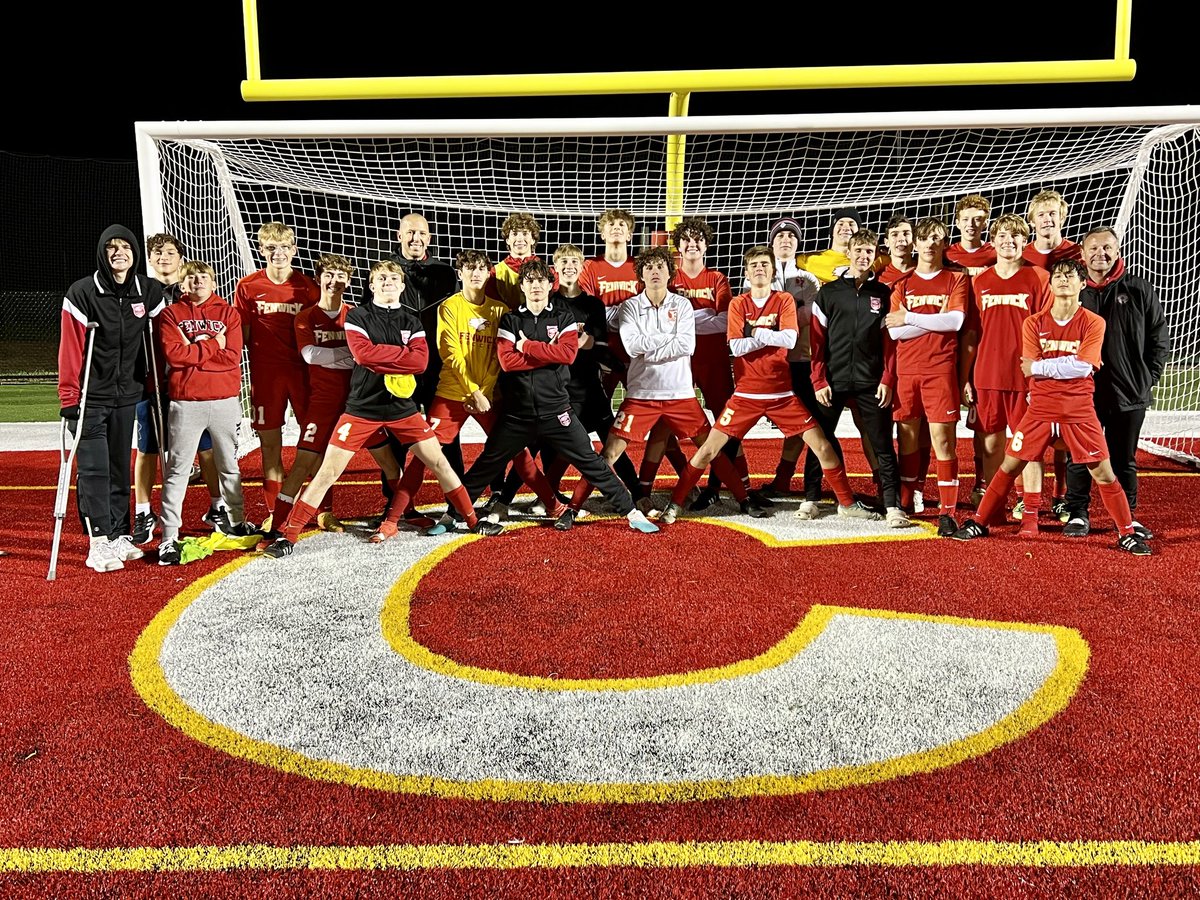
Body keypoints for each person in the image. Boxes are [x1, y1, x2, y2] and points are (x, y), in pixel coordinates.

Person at [262, 260, 501, 557]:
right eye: (381, 278)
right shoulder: (358, 316)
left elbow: (421, 363)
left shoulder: (412, 321)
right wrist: (401, 354)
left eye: (393, 278)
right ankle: (289, 536)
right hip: (362, 408)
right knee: (327, 472)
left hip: (403, 408)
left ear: (402, 285)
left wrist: (383, 357)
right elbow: (362, 356)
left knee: (440, 463)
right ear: (372, 286)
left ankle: (473, 520)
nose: (388, 281)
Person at [660, 247, 880, 525]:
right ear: (747, 273)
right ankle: (675, 503)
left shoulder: (784, 299)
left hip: (782, 395)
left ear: (773, 271)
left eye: (764, 264)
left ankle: (847, 503)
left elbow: (789, 339)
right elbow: (736, 347)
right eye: (753, 265)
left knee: (823, 446)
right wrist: (769, 336)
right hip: (745, 395)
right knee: (707, 450)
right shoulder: (739, 303)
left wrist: (755, 332)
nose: (759, 269)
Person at [952, 259, 1152, 555]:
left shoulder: (1094, 322)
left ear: (1082, 284)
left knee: (1103, 473)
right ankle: (979, 521)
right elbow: (1028, 369)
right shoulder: (1032, 323)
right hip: (1040, 409)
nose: (1063, 280)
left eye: (1070, 276)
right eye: (1058, 276)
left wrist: (1043, 366)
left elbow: (1084, 366)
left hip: (1078, 409)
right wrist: (1053, 367)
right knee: (1009, 465)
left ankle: (1126, 532)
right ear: (1051, 284)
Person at [454, 259, 659, 534]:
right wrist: (545, 354)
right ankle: (453, 514)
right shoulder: (510, 319)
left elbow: (568, 355)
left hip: (558, 411)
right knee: (488, 462)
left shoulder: (562, 318)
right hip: (518, 414)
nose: (536, 286)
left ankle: (631, 512)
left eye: (541, 281)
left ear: (550, 285)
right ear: (522, 286)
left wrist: (526, 345)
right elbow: (507, 362)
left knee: (591, 461)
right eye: (530, 281)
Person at [570, 247, 755, 525]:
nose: (655, 272)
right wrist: (665, 342)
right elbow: (633, 347)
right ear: (641, 274)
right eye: (649, 268)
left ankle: (745, 500)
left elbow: (687, 345)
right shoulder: (629, 307)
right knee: (608, 453)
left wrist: (651, 345)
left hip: (681, 395)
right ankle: (572, 508)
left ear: (670, 272)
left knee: (710, 449)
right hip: (641, 395)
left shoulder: (682, 305)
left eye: (660, 267)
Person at [392, 249, 561, 534]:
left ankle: (555, 506)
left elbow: (499, 358)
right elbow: (451, 354)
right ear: (460, 274)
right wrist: (472, 390)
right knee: (424, 455)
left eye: (481, 268)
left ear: (488, 273)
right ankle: (393, 518)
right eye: (469, 269)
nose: (475, 274)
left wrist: (484, 391)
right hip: (452, 394)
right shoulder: (448, 307)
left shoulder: (499, 310)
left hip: (489, 396)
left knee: (520, 455)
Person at [256, 254, 405, 548]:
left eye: (340, 275)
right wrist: (350, 356)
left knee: (389, 463)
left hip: (360, 403)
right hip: (322, 404)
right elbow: (311, 356)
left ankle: (398, 514)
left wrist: (344, 358)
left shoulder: (358, 315)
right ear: (319, 278)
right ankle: (279, 524)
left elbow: (365, 357)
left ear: (348, 281)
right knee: (302, 465)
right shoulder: (305, 317)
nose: (334, 280)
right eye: (329, 275)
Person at [57, 225, 164, 572]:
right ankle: (98, 540)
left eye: (125, 247)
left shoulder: (146, 291)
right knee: (94, 469)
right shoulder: (83, 293)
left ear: (134, 253)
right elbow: (70, 350)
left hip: (126, 394)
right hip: (90, 397)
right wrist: (69, 396)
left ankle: (119, 533)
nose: (119, 253)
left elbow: (159, 340)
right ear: (103, 253)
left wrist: (153, 382)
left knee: (119, 466)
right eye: (111, 248)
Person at [1062, 227, 1170, 540]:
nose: (1101, 254)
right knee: (1080, 456)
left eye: (1108, 248)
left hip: (1129, 392)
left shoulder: (1138, 288)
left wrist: (1148, 378)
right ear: (1081, 255)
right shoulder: (1073, 292)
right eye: (1093, 249)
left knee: (1124, 459)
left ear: (1118, 250)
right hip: (1083, 393)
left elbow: (1158, 337)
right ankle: (1078, 512)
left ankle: (1127, 516)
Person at [957, 214, 1052, 533]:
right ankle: (995, 509)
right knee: (990, 446)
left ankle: (1031, 515)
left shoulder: (1038, 277)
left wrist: (1041, 375)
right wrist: (966, 378)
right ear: (993, 241)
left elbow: (1048, 331)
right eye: (1002, 236)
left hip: (1026, 378)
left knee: (1031, 448)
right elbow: (971, 334)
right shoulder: (979, 281)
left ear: (1024, 241)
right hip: (987, 376)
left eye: (1016, 236)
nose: (1009, 241)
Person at [155, 261, 253, 565]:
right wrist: (214, 343)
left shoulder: (228, 313)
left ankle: (235, 521)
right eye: (191, 277)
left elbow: (232, 357)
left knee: (229, 465)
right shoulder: (171, 314)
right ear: (182, 284)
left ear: (213, 281)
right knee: (178, 470)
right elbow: (175, 355)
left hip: (224, 400)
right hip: (186, 402)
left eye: (203, 277)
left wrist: (197, 350)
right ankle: (169, 536)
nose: (197, 281)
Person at [809, 230, 908, 526]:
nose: (864, 257)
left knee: (883, 445)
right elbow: (816, 341)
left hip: (871, 382)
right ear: (849, 253)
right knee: (820, 441)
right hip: (833, 382)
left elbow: (890, 342)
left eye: (869, 252)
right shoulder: (827, 294)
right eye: (859, 251)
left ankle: (892, 506)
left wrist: (888, 379)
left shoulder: (883, 294)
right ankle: (811, 498)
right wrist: (818, 380)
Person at [133, 233, 223, 545]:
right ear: (150, 259)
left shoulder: (192, 294)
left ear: (180, 257)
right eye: (158, 253)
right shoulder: (140, 292)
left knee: (207, 448)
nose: (164, 258)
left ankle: (217, 508)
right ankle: (144, 511)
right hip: (152, 382)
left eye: (170, 252)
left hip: (192, 384)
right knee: (147, 448)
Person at [885, 217, 970, 536]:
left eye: (937, 238)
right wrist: (932, 318)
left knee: (943, 442)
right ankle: (907, 500)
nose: (931, 243)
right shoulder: (902, 284)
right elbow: (895, 332)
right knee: (906, 439)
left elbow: (956, 322)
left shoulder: (956, 280)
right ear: (916, 244)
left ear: (944, 244)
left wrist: (910, 317)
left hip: (940, 372)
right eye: (925, 238)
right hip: (907, 372)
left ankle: (947, 510)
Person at [234, 221, 319, 524]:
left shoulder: (308, 288)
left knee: (313, 443)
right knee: (270, 446)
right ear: (261, 250)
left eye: (284, 247)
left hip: (303, 375)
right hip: (266, 377)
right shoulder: (247, 287)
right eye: (271, 247)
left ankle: (323, 512)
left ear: (294, 250)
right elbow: (240, 337)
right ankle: (276, 514)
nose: (278, 253)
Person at [753, 217, 825, 506]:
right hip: (767, 363)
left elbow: (809, 317)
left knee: (807, 421)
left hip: (800, 359)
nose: (785, 240)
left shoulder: (807, 279)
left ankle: (791, 479)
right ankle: (734, 481)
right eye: (780, 235)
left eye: (791, 236)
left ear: (797, 244)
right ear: (771, 243)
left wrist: (775, 319)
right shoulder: (756, 275)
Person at [485, 212, 556, 310]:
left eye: (525, 233)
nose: (519, 239)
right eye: (514, 234)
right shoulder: (495, 273)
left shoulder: (548, 271)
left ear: (533, 239)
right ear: (507, 240)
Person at [1022, 189, 1082, 269]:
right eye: (1041, 215)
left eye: (1052, 214)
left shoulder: (1077, 252)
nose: (1047, 219)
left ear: (1062, 218)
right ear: (1032, 221)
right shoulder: (1021, 255)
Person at [944, 194, 997, 274]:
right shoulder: (946, 254)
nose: (970, 224)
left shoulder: (996, 253)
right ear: (957, 223)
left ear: (985, 224)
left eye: (977, 219)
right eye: (965, 219)